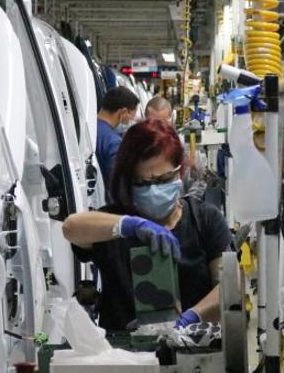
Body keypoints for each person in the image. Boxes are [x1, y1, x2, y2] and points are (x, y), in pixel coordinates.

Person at [63, 119, 233, 332]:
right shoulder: (112, 224)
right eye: (143, 183)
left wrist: (194, 316)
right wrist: (127, 225)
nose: (154, 189)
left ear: (179, 172)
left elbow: (226, 286)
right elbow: (70, 227)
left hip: (193, 350)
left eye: (163, 179)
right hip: (124, 356)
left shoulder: (205, 219)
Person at [96, 87, 140, 194]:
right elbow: (117, 184)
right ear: (123, 111)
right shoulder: (113, 142)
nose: (131, 120)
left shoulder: (87, 127)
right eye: (131, 115)